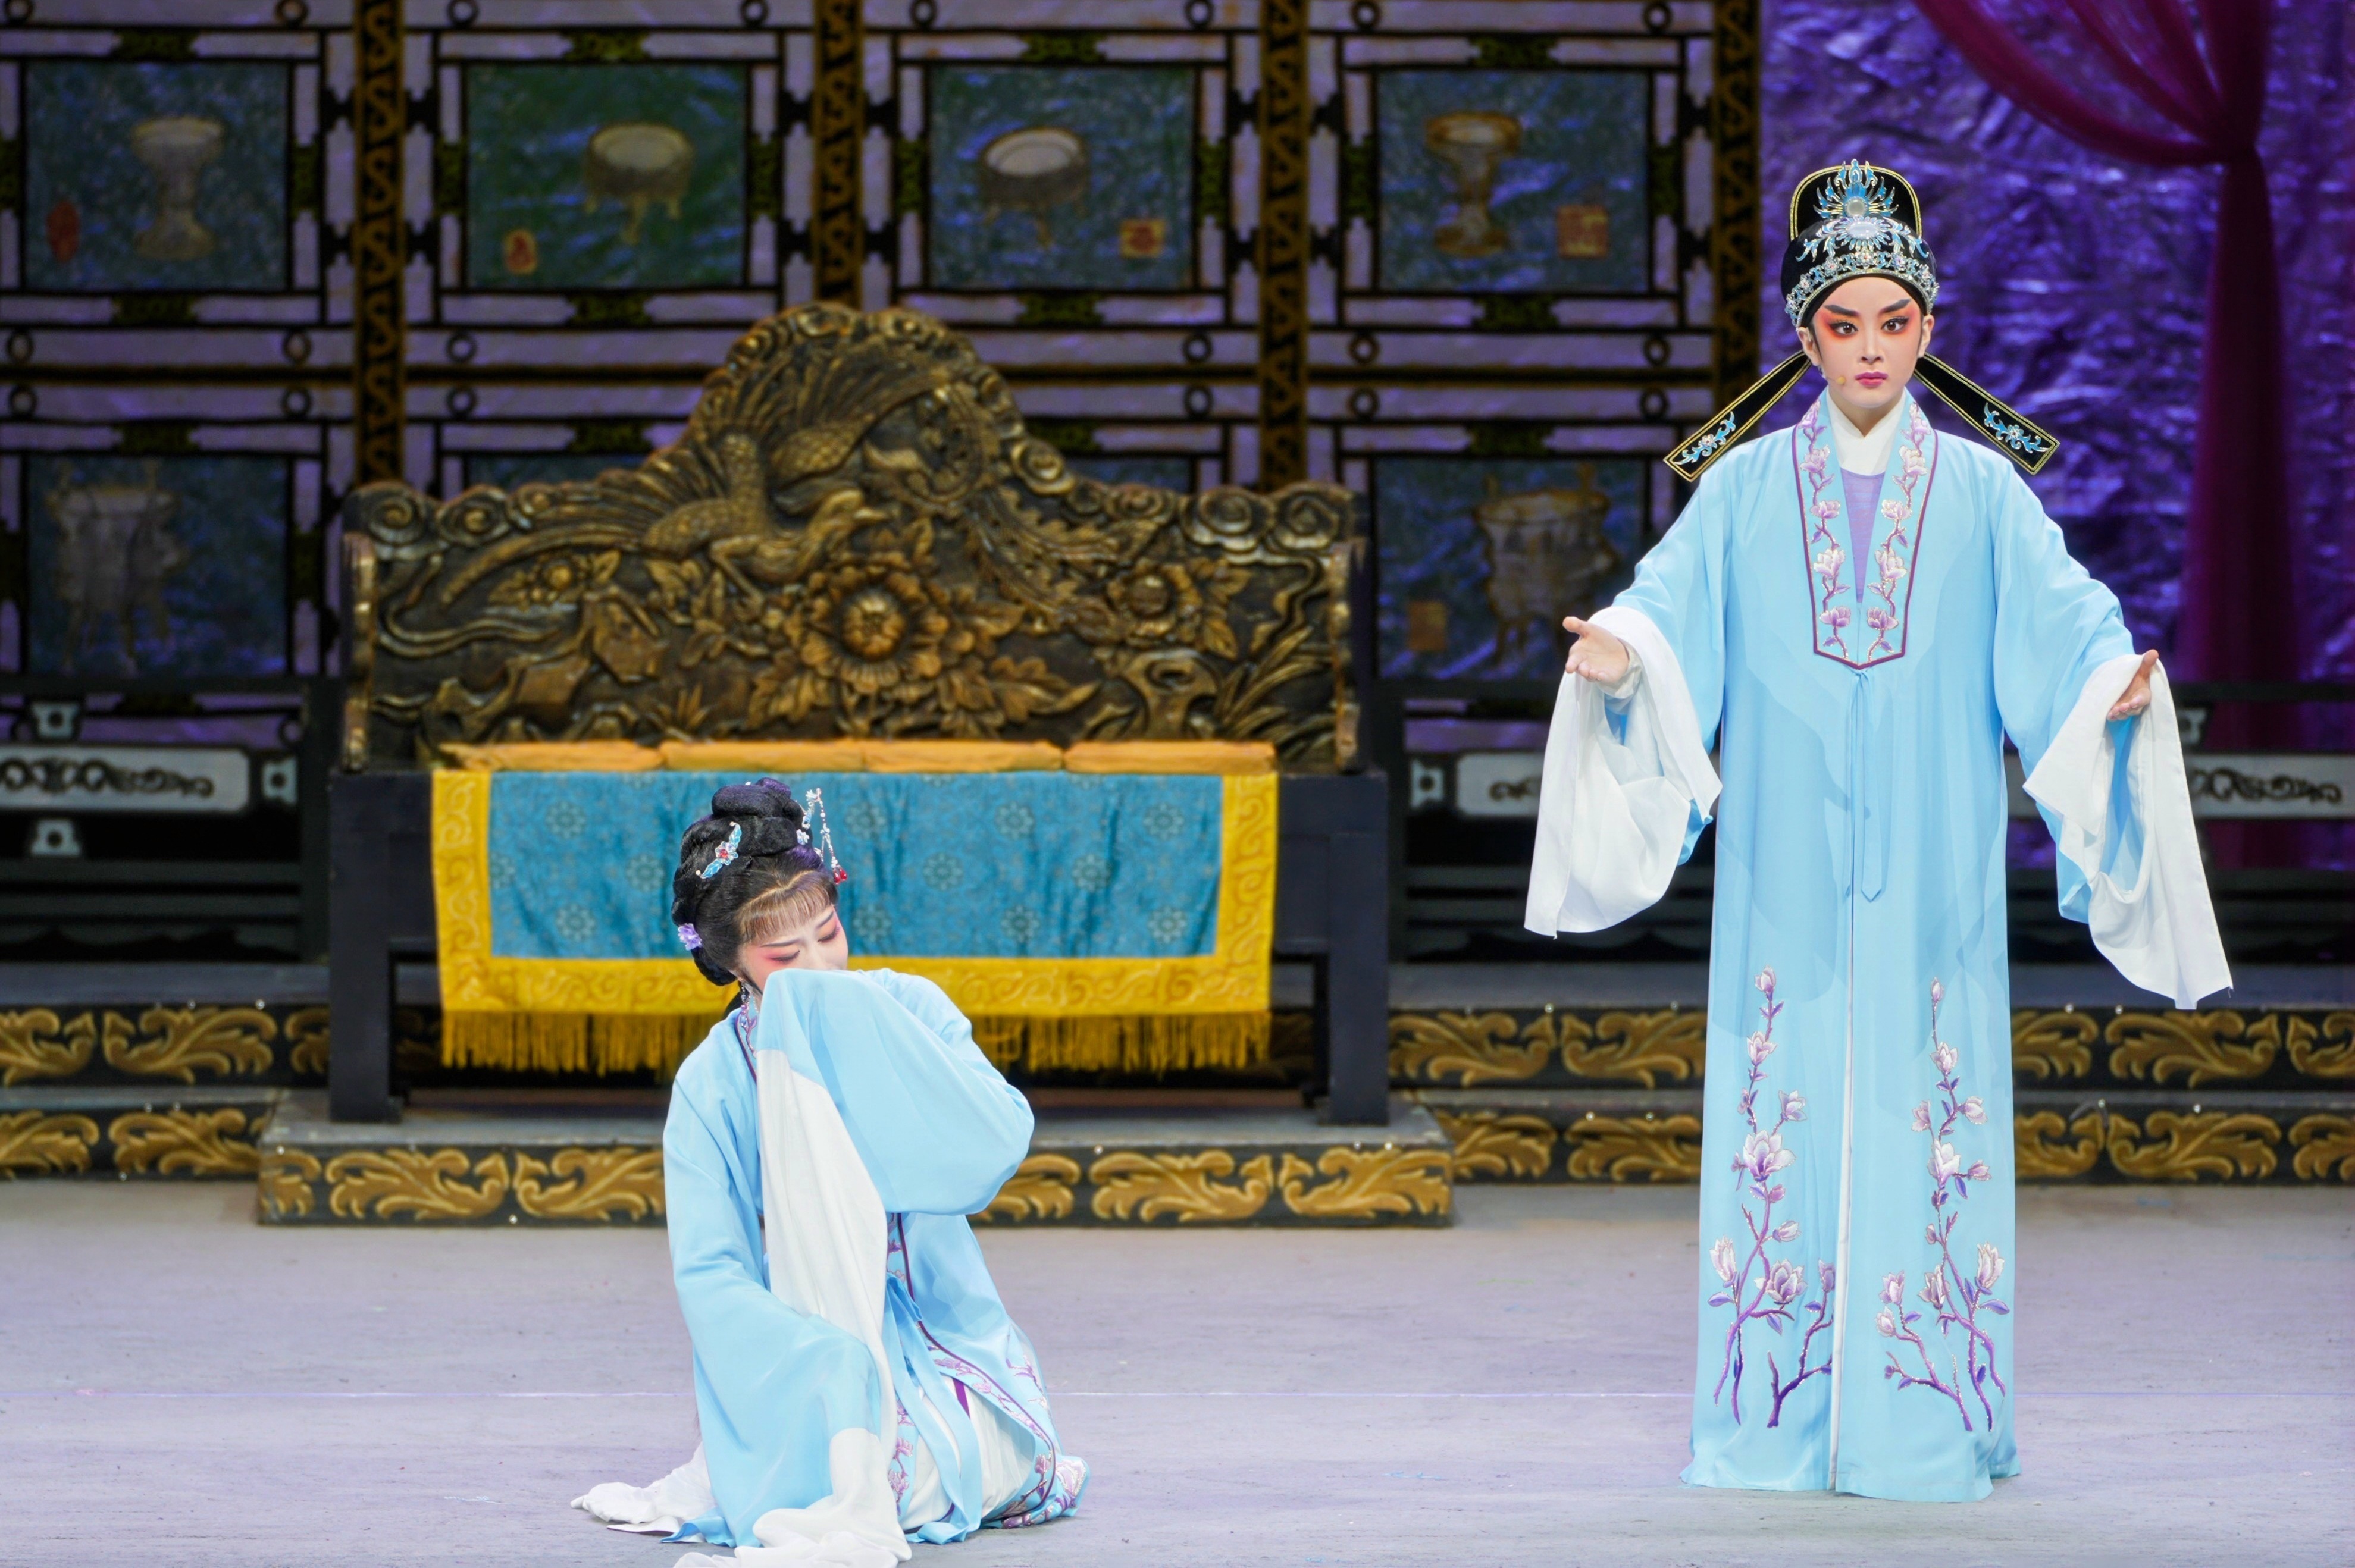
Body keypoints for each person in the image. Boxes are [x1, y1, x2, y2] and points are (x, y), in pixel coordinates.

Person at [1526, 161, 2227, 1501]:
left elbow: (2067, 619)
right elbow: (1666, 604)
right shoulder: (1742, 490)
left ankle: (1925, 1424)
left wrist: (2105, 685)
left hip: (1930, 858)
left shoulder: (1980, 494)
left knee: (1925, 1109)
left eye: (1890, 324)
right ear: (1804, 340)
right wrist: (1626, 654)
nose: (1866, 349)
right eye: (1840, 325)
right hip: (1785, 856)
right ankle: (1771, 1421)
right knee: (1780, 1103)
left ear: (1925, 330)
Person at [575, 779, 1086, 1566]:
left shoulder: (908, 1007)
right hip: (805, 1349)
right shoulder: (715, 1081)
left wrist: (864, 1029)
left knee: (971, 1472)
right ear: (730, 963)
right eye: (785, 956)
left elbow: (990, 1150)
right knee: (850, 1481)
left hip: (947, 1339)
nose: (818, 965)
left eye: (828, 934)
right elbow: (711, 1272)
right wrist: (832, 1363)